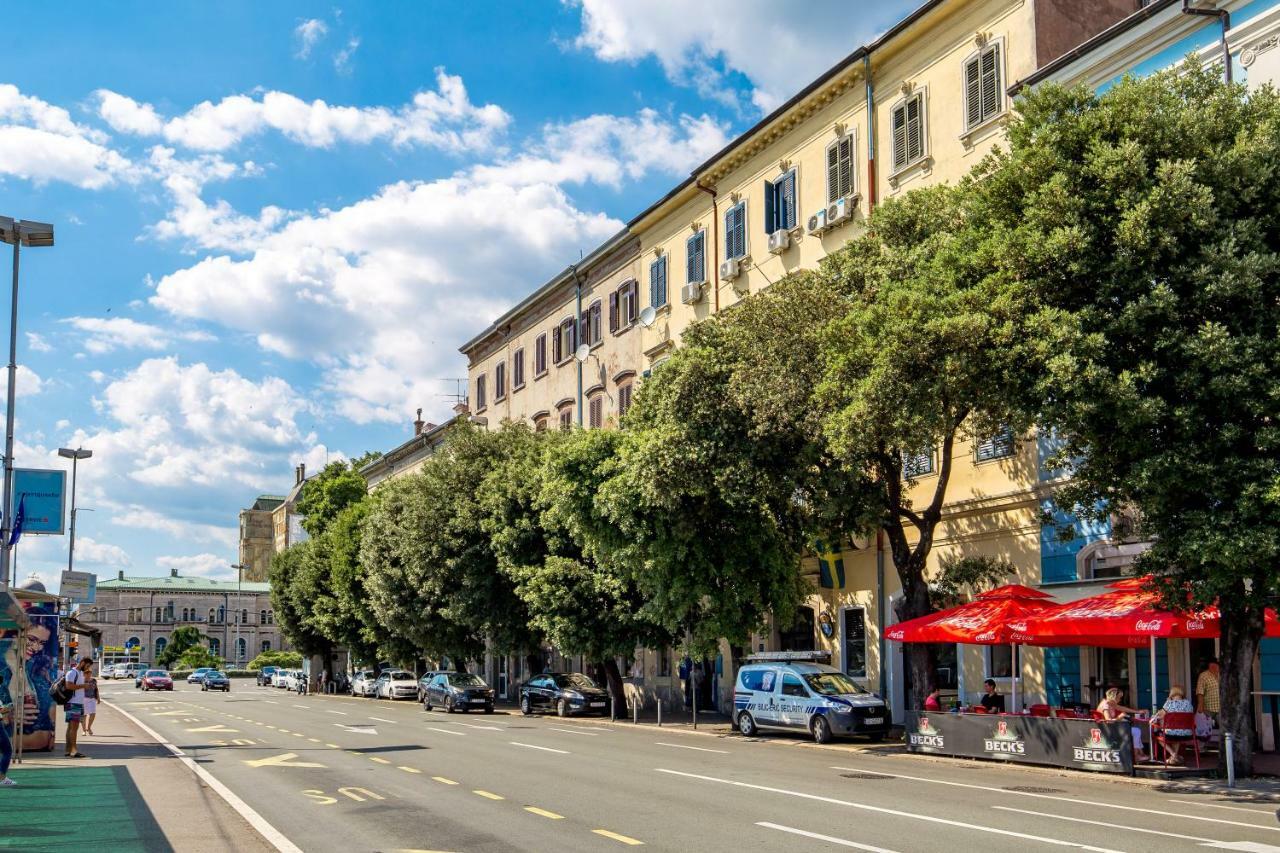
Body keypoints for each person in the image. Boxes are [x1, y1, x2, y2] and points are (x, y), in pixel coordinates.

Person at [1097, 687, 1147, 762]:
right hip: (1110, 730)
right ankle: (1136, 756)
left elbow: (1122, 708)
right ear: (1114, 697)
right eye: (1119, 697)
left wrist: (1138, 712)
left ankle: (1140, 753)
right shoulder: (1105, 705)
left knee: (1136, 731)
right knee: (1136, 731)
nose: (1120, 700)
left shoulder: (1109, 703)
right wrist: (1119, 717)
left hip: (1114, 727)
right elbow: (1108, 721)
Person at [1154, 685, 1195, 765]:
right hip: (1187, 733)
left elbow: (1160, 715)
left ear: (1171, 693)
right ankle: (1174, 760)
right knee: (1176, 736)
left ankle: (1173, 754)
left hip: (1171, 733)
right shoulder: (1188, 703)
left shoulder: (1169, 703)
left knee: (1157, 736)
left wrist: (1164, 706)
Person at [62, 656, 93, 758]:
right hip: (73, 703)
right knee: (74, 727)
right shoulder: (72, 673)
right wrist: (83, 686)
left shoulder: (79, 673)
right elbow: (68, 686)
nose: (87, 668)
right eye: (87, 665)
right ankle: (74, 750)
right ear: (82, 662)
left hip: (77, 703)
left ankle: (68, 750)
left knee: (71, 727)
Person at [1195, 658, 1220, 726]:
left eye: (1215, 664)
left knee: (1224, 730)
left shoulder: (1223, 674)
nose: (1213, 666)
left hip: (1222, 709)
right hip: (1208, 709)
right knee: (1207, 729)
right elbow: (1200, 692)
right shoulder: (1203, 675)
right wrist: (1200, 707)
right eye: (1211, 664)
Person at [81, 666, 99, 736]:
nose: (89, 675)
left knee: (93, 714)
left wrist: (98, 698)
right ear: (84, 674)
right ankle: (83, 730)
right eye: (87, 674)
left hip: (92, 699)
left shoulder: (93, 680)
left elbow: (96, 689)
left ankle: (89, 727)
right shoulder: (82, 681)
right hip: (84, 699)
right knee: (84, 715)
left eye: (90, 674)